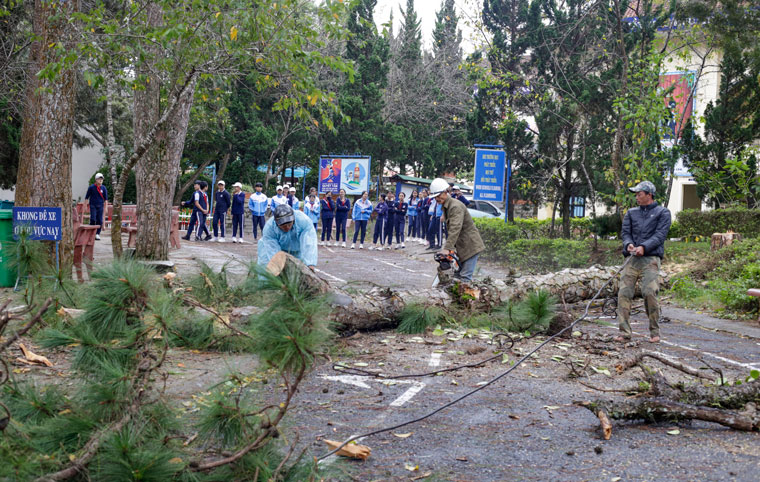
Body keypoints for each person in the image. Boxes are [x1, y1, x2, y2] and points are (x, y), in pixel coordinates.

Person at [615, 181, 672, 344]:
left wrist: (644, 247)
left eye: (639, 194)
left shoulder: (663, 213)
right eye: (636, 194)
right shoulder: (631, 213)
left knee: (649, 292)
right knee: (624, 293)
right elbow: (625, 233)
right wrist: (629, 245)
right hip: (631, 259)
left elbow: (660, 235)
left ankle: (654, 331)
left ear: (649, 195)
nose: (637, 197)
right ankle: (624, 332)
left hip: (651, 258)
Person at [430, 178, 485, 282]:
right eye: (435, 197)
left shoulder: (455, 207)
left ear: (445, 192)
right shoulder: (447, 206)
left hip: (470, 246)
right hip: (462, 246)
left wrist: (447, 248)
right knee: (457, 277)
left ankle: (468, 297)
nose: (437, 199)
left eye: (438, 196)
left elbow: (455, 228)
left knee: (464, 278)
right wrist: (448, 248)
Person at [257, 204, 318, 269]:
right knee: (269, 268)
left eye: (289, 224)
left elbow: (309, 243)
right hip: (271, 249)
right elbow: (272, 250)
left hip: (296, 249)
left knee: (297, 271)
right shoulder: (269, 228)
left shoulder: (303, 221)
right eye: (283, 225)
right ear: (276, 223)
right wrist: (278, 265)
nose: (287, 227)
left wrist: (310, 263)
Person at [85, 172, 108, 240]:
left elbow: (106, 199)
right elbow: (87, 197)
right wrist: (85, 206)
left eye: (102, 179)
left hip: (100, 206)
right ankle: (91, 232)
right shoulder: (92, 187)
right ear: (96, 179)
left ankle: (97, 233)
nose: (100, 180)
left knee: (100, 220)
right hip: (93, 205)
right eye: (99, 179)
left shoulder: (103, 188)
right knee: (93, 219)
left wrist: (106, 207)